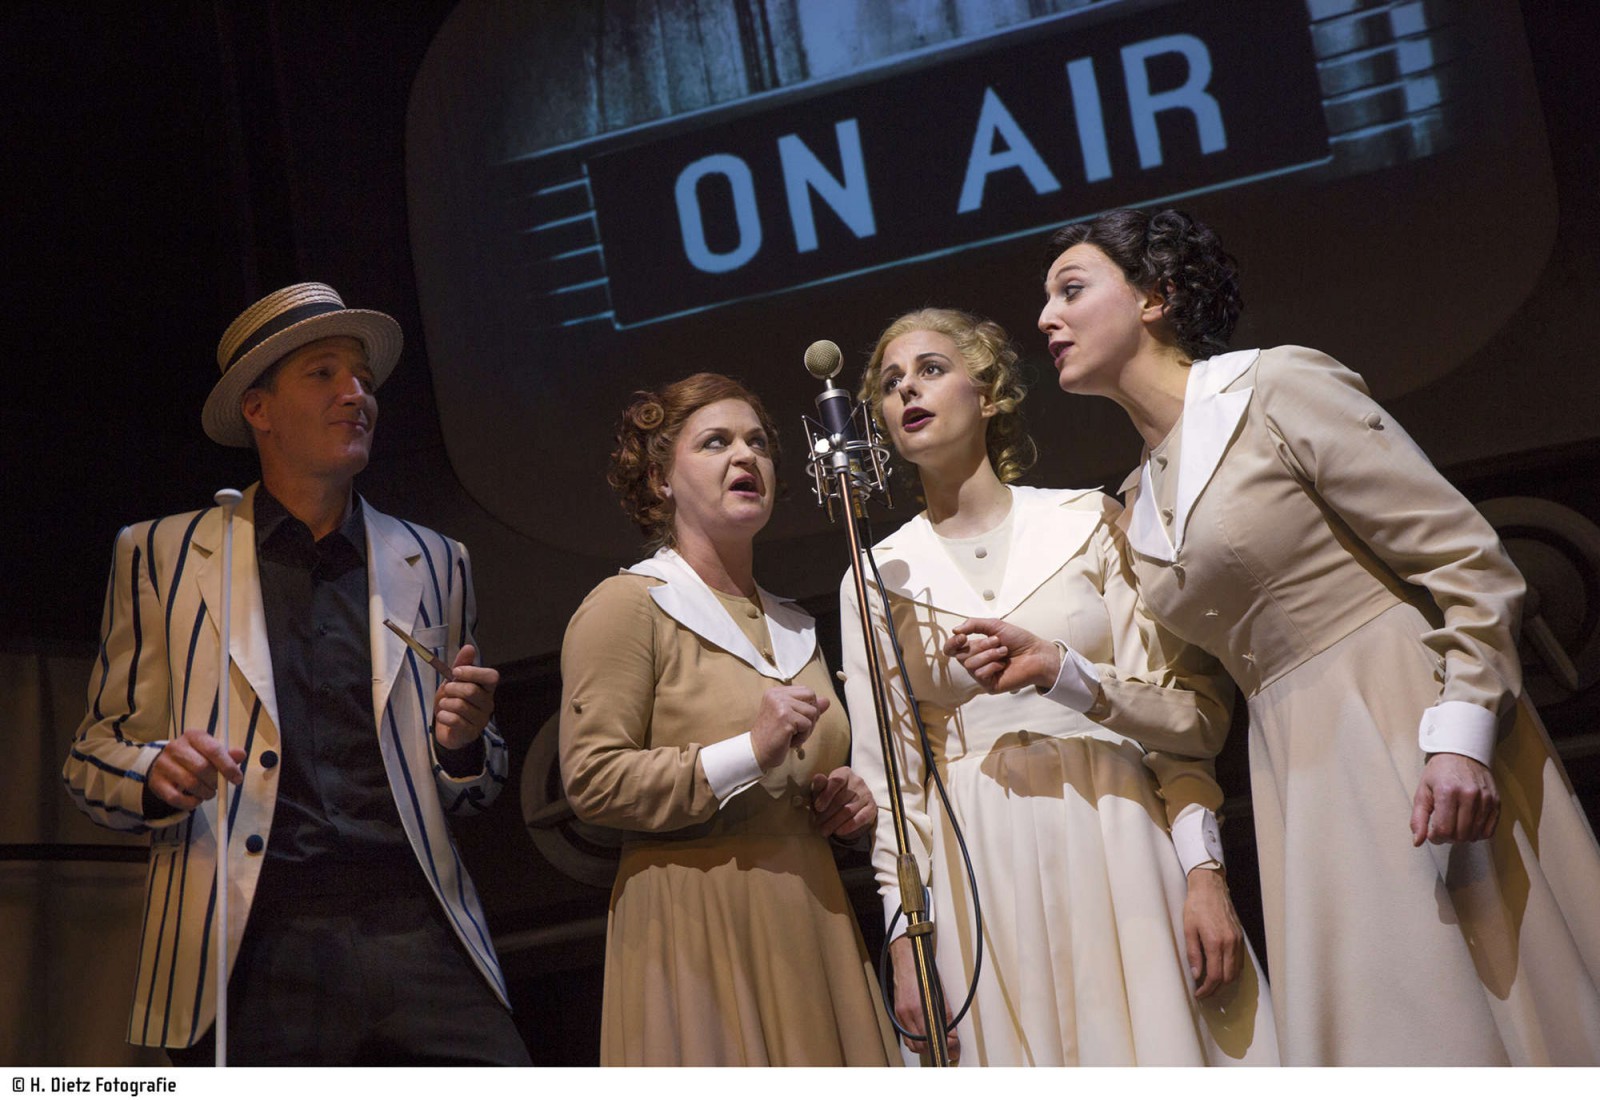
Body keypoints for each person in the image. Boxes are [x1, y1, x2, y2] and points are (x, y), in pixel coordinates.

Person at [1003, 206, 1600, 1063]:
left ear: (1156, 297)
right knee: (1381, 1021)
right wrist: (1065, 674)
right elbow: (1200, 719)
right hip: (1292, 765)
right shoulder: (1134, 504)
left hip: (1402, 717)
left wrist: (1463, 732)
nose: (1046, 320)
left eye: (1071, 289)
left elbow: (1469, 562)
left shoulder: (1273, 389)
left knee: (1481, 1001)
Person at [62, 283, 529, 1066]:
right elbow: (92, 757)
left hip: (416, 924)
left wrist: (462, 746)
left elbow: (476, 789)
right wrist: (156, 772)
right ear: (259, 410)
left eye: (364, 380)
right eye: (323, 374)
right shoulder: (162, 555)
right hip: (255, 936)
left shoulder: (437, 560)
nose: (357, 396)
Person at [839, 308, 1277, 1066]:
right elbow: (893, 783)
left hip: (1115, 826)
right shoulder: (878, 575)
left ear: (990, 392)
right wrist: (908, 940)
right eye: (889, 383)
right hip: (979, 857)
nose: (907, 389)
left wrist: (1204, 872)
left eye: (931, 369)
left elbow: (1180, 717)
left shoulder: (1084, 520)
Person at [558, 372, 898, 1066]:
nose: (746, 458)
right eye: (716, 443)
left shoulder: (796, 623)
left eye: (758, 444)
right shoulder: (630, 605)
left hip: (814, 916)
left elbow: (811, 780)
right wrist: (750, 749)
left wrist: (847, 805)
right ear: (660, 480)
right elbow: (592, 782)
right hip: (697, 927)